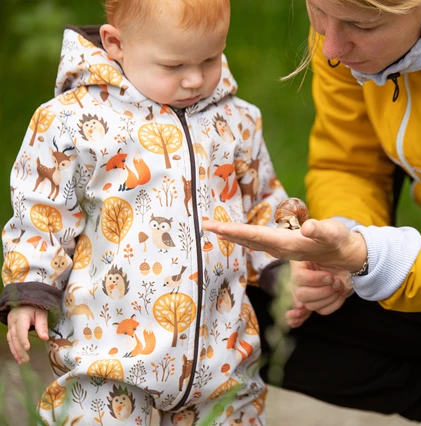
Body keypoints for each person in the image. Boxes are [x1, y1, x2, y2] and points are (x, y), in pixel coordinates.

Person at [202, 0, 421, 424]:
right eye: (317, 12)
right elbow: (348, 163)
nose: (331, 47)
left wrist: (366, 255)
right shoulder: (339, 25)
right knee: (236, 290)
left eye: (361, 24)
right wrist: (338, 248)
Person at [0, 0, 288, 424]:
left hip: (220, 351)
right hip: (109, 350)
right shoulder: (73, 120)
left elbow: (262, 201)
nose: (195, 78)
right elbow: (42, 210)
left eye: (211, 58)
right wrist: (30, 287)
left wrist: (282, 270)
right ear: (116, 44)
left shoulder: (237, 121)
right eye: (173, 65)